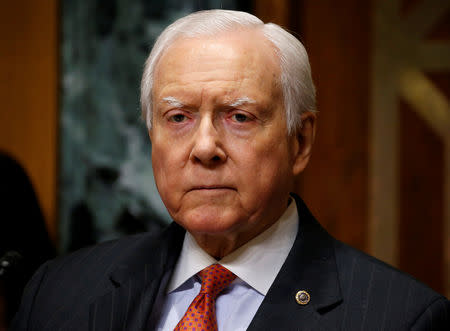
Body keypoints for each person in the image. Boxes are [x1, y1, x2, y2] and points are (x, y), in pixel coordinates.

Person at [11, 10, 449, 330]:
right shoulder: (57, 294)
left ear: (301, 141)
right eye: (178, 117)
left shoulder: (401, 319)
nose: (204, 147)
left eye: (239, 117)